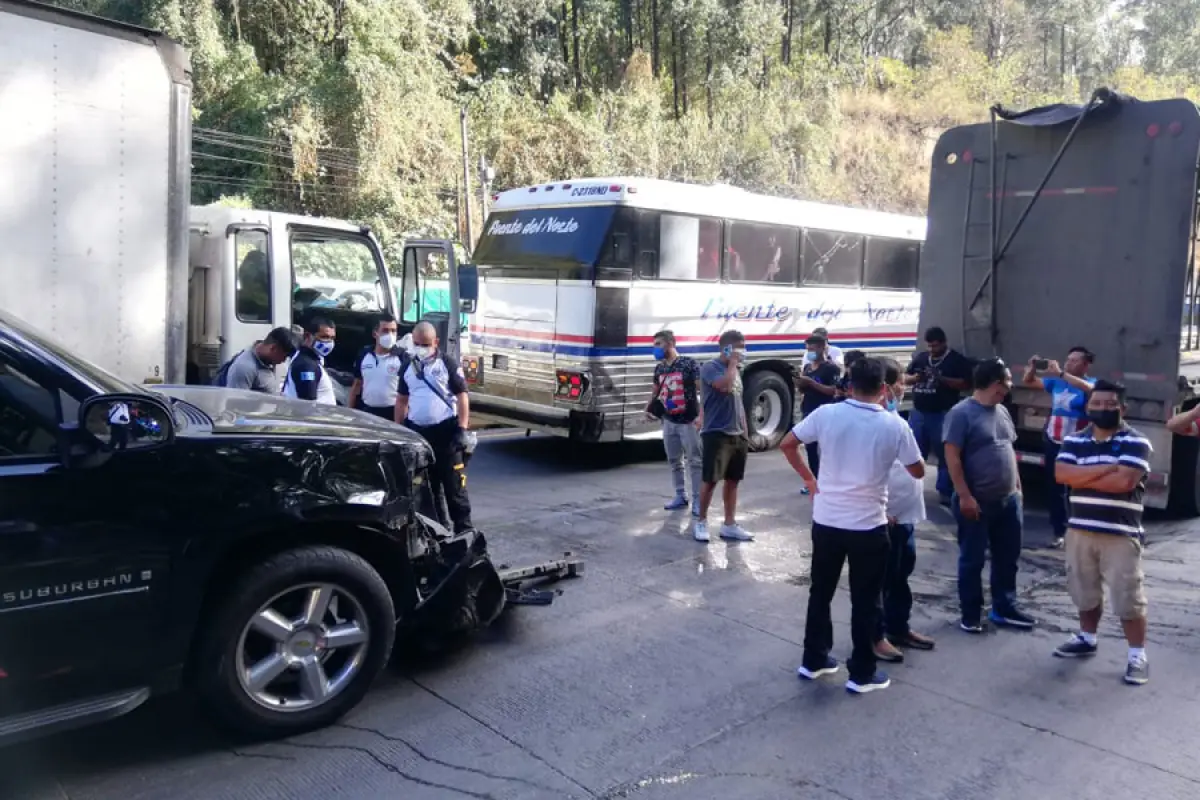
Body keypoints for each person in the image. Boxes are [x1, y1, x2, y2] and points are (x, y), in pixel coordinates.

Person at [781, 357, 924, 694]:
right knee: (866, 599)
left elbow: (788, 443)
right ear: (884, 389)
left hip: (827, 520)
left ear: (848, 384)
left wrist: (811, 479)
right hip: (868, 526)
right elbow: (917, 470)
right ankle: (861, 673)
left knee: (821, 592)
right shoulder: (894, 426)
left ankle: (814, 659)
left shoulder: (827, 415)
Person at [1053, 380, 1152, 685]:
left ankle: (1137, 655)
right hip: (1079, 531)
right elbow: (1061, 475)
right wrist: (1108, 469)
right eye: (1097, 403)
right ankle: (1086, 637)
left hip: (1120, 535)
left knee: (1128, 597)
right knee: (1084, 590)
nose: (1102, 409)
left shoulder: (1137, 442)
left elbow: (1123, 484)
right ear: (1088, 406)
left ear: (1123, 408)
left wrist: (1083, 476)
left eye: (1110, 404)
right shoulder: (1074, 440)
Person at [943, 358, 1035, 633]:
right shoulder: (961, 414)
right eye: (1006, 381)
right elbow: (953, 458)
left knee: (1007, 558)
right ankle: (970, 614)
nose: (1009, 386)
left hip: (1008, 500)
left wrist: (1017, 488)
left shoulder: (1001, 411)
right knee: (972, 560)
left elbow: (1008, 450)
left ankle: (1004, 608)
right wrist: (965, 496)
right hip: (977, 501)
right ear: (995, 382)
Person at [874, 360, 936, 663]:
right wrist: (880, 510)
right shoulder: (874, 420)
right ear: (886, 387)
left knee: (900, 576)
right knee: (881, 580)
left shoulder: (894, 415)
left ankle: (899, 628)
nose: (905, 386)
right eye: (901, 381)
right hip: (885, 516)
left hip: (905, 514)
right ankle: (878, 636)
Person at [395, 321, 474, 533]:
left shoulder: (447, 363)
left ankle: (464, 532)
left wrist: (462, 428)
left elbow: (462, 396)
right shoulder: (408, 367)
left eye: (425, 344)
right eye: (417, 343)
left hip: (446, 434)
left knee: (454, 488)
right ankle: (438, 533)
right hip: (419, 435)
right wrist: (399, 431)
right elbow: (402, 400)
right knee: (426, 490)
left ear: (436, 342)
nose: (421, 348)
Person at [1021, 347, 1096, 547]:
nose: (1068, 363)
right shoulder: (1056, 382)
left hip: (1078, 443)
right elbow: (1029, 382)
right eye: (1068, 359)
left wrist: (1062, 374)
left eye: (1074, 361)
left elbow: (1091, 391)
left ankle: (1082, 529)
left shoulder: (1090, 383)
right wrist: (1032, 368)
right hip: (1054, 440)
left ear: (1085, 364)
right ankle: (1059, 530)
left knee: (1079, 487)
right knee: (1055, 488)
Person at [695, 330, 754, 543]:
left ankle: (729, 524)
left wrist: (745, 433)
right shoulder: (711, 367)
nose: (743, 353)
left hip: (737, 433)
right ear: (727, 349)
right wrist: (731, 364)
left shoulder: (736, 370)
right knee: (710, 480)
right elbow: (724, 386)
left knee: (733, 480)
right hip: (716, 432)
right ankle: (701, 521)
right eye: (739, 348)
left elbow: (738, 401)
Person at [905, 326, 973, 505]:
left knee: (945, 453)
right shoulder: (921, 358)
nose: (932, 350)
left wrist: (941, 379)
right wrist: (916, 378)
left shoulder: (955, 360)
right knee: (914, 451)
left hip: (943, 413)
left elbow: (965, 384)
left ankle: (944, 490)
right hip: (919, 412)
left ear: (943, 343)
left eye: (935, 346)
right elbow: (905, 377)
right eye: (929, 346)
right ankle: (911, 488)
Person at [646, 330, 703, 515]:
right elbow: (655, 391)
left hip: (688, 421)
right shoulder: (660, 368)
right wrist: (648, 408)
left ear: (670, 343)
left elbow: (702, 389)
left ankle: (698, 500)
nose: (655, 349)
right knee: (674, 460)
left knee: (694, 461)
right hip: (669, 421)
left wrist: (702, 415)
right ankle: (680, 495)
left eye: (658, 344)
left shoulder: (688, 364)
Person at [795, 334, 841, 494]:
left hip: (825, 413)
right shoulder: (808, 368)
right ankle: (814, 482)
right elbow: (804, 390)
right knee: (810, 449)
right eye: (808, 349)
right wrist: (801, 384)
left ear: (822, 348)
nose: (810, 352)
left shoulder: (831, 368)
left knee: (827, 450)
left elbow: (834, 390)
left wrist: (812, 383)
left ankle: (829, 482)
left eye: (813, 349)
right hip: (808, 411)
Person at [348, 314, 404, 420]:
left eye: (393, 331)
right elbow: (357, 385)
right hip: (367, 412)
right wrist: (350, 413)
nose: (390, 335)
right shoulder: (364, 354)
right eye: (385, 330)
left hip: (392, 413)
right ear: (375, 333)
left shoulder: (402, 357)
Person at [212, 327, 297, 393]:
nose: (284, 360)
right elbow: (236, 405)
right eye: (284, 356)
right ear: (273, 348)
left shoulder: (265, 360)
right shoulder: (244, 368)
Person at [283, 318, 338, 405]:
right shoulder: (306, 365)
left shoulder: (310, 359)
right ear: (307, 336)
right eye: (324, 337)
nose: (329, 342)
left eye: (332, 338)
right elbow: (308, 405)